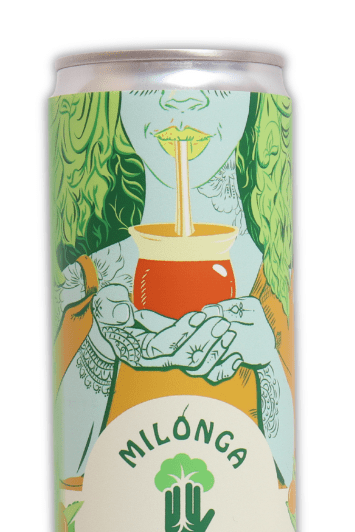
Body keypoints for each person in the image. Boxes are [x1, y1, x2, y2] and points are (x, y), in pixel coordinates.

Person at [51, 89, 294, 487]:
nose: (181, 103)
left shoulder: (276, 289)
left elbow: (286, 481)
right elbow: (65, 474)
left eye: (217, 89)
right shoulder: (86, 285)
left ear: (250, 106)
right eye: (145, 86)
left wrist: (267, 364)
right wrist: (101, 347)